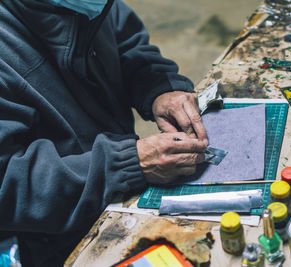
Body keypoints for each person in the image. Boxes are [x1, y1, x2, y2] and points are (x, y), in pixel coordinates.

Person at [0, 0, 208, 266]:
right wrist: (127, 163)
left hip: (121, 193)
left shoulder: (89, 3)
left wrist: (159, 88)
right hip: (60, 239)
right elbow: (7, 185)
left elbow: (127, 44)